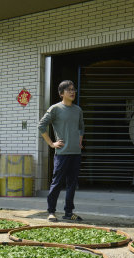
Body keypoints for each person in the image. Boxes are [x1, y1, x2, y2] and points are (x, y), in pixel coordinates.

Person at [38, 80, 84, 222]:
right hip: (62, 154)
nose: (72, 92)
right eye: (69, 90)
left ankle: (69, 213)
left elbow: (81, 127)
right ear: (61, 93)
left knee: (72, 184)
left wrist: (79, 141)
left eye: (73, 89)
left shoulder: (78, 110)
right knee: (57, 183)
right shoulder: (55, 109)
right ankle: (51, 211)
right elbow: (41, 126)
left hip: (75, 153)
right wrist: (51, 144)